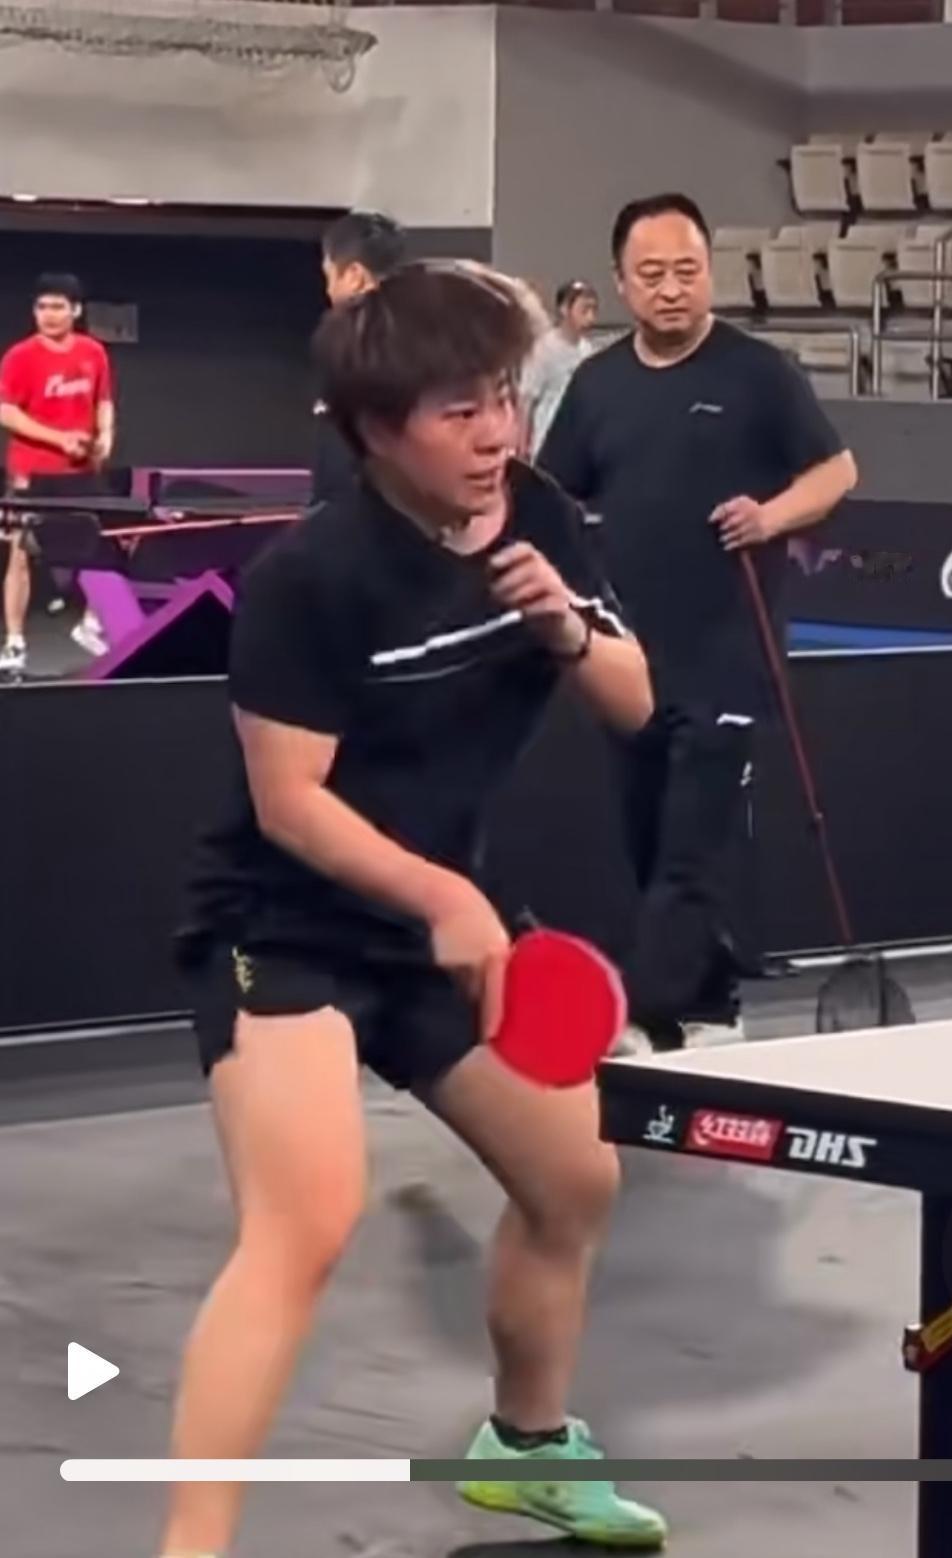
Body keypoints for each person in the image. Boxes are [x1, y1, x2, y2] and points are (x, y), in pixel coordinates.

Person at [163, 263, 667, 1558]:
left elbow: (633, 703)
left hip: (436, 935)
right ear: (375, 430)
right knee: (306, 1222)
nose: (497, 431)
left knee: (572, 1177)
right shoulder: (312, 578)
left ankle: (526, 1450)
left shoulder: (539, 515)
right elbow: (289, 802)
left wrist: (563, 627)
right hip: (284, 929)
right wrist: (446, 895)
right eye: (460, 411)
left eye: (503, 396)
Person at [540, 193, 858, 1051]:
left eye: (687, 270)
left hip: (727, 650)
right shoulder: (597, 385)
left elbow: (836, 471)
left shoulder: (758, 373)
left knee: (690, 841)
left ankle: (654, 1013)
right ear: (619, 284)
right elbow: (555, 491)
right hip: (626, 658)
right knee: (645, 835)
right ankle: (708, 1004)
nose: (671, 288)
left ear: (710, 272)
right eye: (651, 274)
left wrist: (769, 515)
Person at [0, 273, 114, 673]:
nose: (48, 315)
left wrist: (106, 435)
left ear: (75, 311)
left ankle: (92, 623)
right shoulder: (20, 356)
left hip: (81, 469)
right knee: (21, 552)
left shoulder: (93, 352)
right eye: (42, 307)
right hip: (32, 470)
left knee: (104, 545)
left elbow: (103, 400)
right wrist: (58, 439)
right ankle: (15, 643)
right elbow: (6, 411)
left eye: (58, 307)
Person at [312, 210, 405, 503]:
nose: (329, 290)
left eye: (329, 276)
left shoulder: (351, 345)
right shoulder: (427, 342)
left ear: (354, 276)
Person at [519, 280, 599, 459]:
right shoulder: (543, 349)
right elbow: (526, 400)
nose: (590, 317)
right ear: (564, 309)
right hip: (545, 442)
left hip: (577, 443)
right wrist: (522, 444)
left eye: (593, 310)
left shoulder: (588, 350)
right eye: (584, 310)